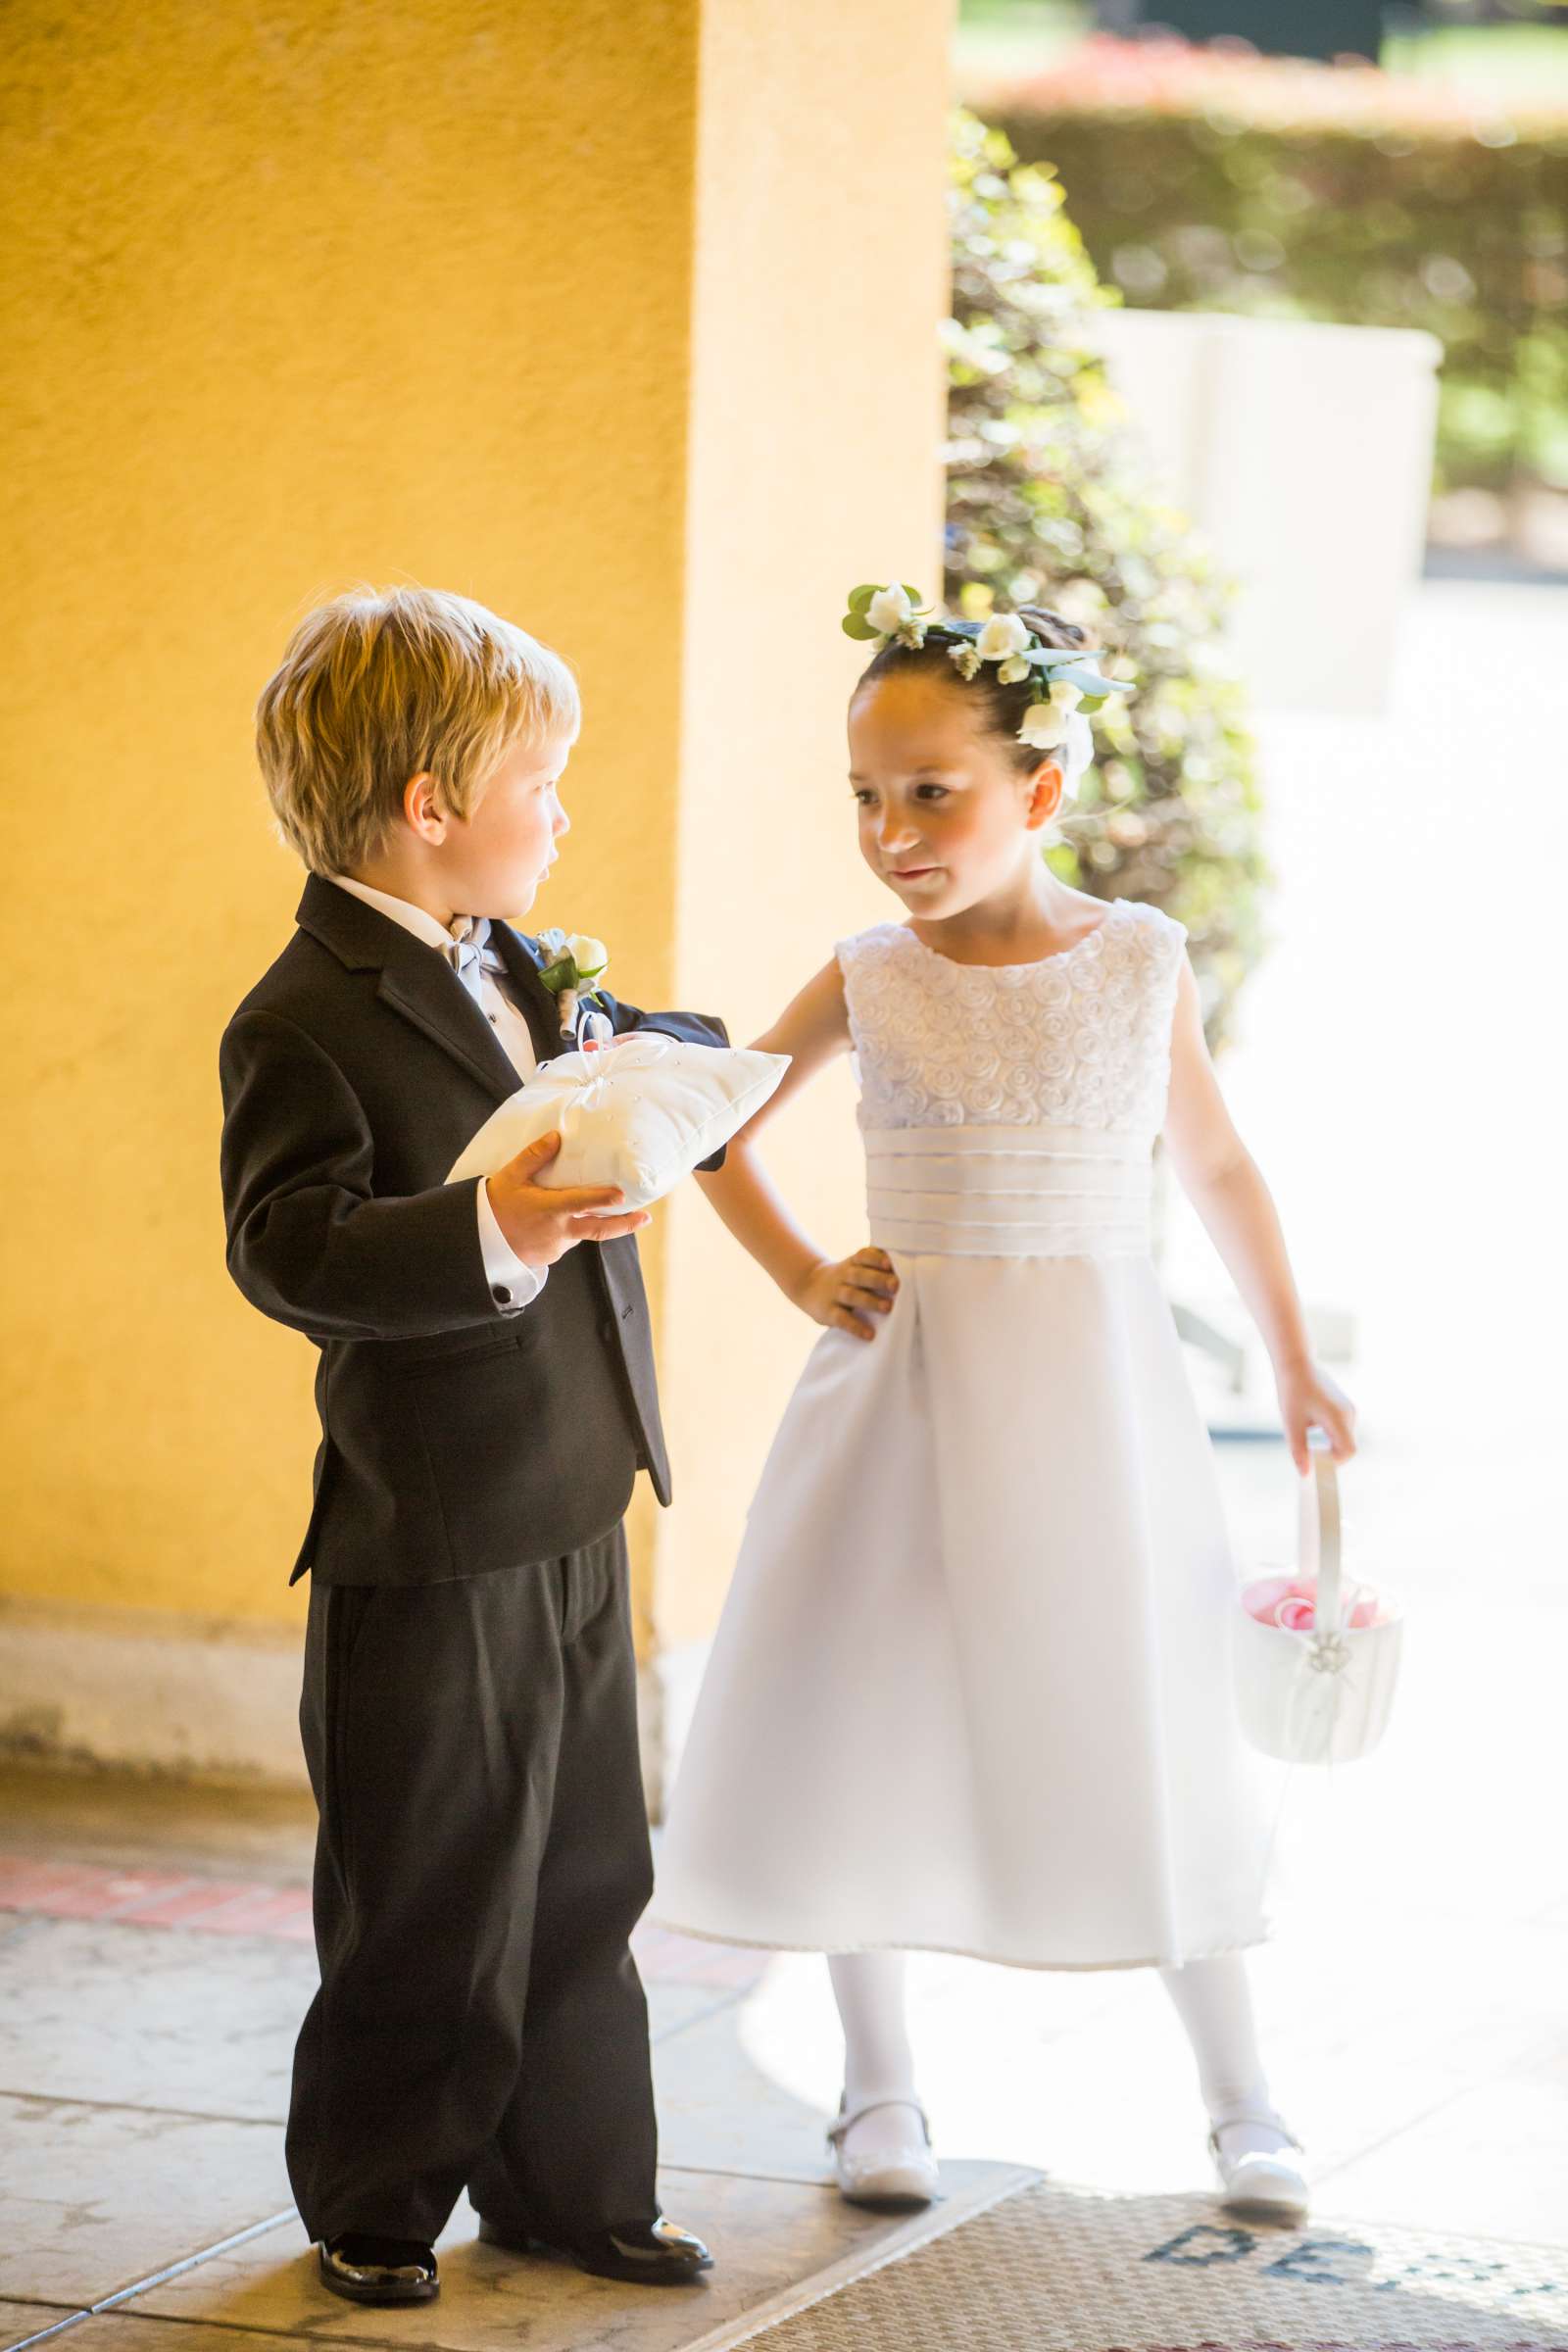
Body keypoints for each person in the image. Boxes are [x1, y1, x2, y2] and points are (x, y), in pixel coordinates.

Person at [654, 582, 1356, 2226]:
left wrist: (1299, 1360)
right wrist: (802, 1273)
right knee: (867, 1704)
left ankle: (1245, 2101)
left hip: (1094, 1410)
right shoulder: (867, 975)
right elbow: (712, 1122)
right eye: (866, 799)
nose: (892, 832)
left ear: (1038, 791)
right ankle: (877, 2087)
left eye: (931, 792)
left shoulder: (1136, 963)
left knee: (1136, 1705)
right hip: (898, 1398)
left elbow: (1220, 1161)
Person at [220, 586, 720, 2304]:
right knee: (428, 1879)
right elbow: (287, 1250)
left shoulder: (520, 960)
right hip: (426, 1525)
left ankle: (576, 2187)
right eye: (545, 778)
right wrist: (490, 1223)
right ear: (431, 806)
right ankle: (375, 2198)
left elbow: (666, 1044)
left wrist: (661, 1075)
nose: (566, 811)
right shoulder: (304, 1010)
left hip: (574, 1485)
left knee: (590, 1864)